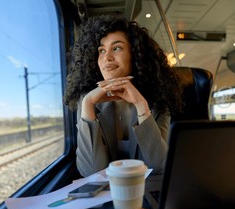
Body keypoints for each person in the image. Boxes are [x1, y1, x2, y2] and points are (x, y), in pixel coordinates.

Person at [64, 14, 183, 177]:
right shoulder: (88, 101)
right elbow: (91, 172)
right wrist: (87, 104)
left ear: (135, 55)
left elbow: (159, 167)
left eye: (117, 48)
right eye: (101, 50)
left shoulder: (158, 98)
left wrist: (142, 105)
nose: (107, 57)